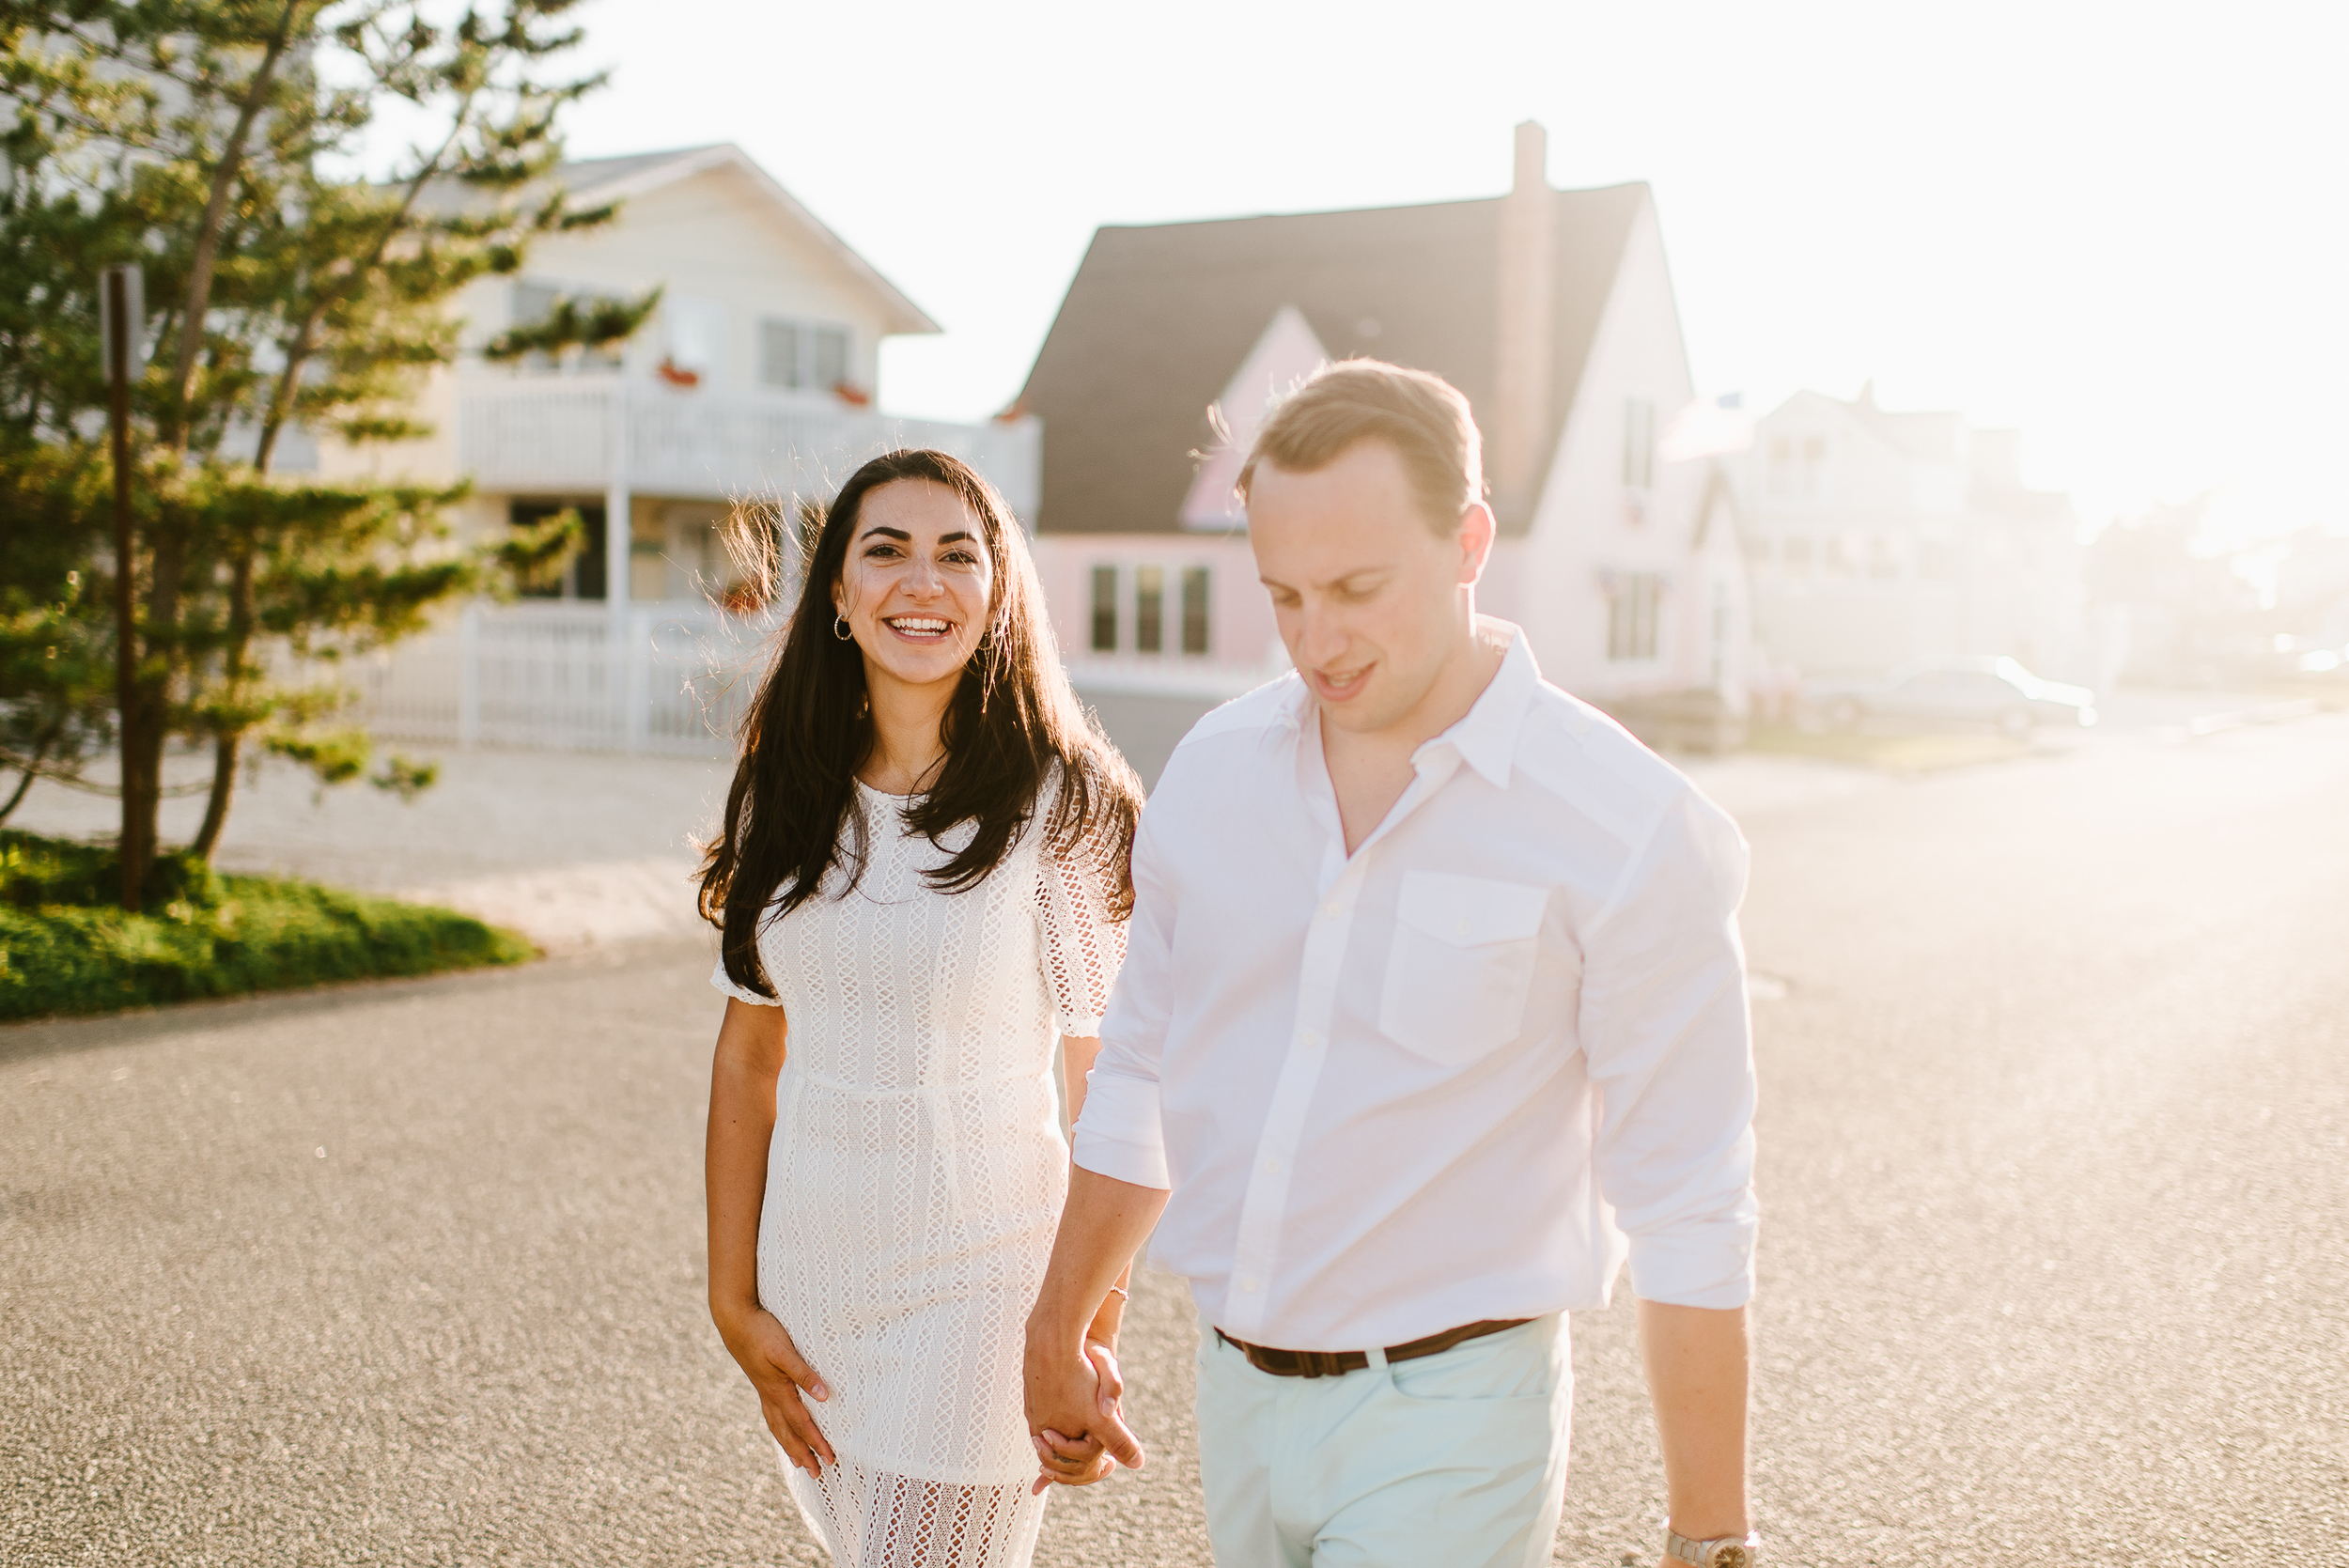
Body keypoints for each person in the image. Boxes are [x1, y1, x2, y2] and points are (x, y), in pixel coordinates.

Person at [1023, 363, 1763, 1568]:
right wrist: (1060, 1322)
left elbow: (1689, 1201)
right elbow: (1144, 1069)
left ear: (1468, 541)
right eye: (1284, 595)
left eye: (1358, 589)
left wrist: (1711, 1540)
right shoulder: (1213, 774)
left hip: (1454, 1423)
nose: (1319, 639)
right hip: (1238, 1402)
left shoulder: (1626, 829)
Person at [701, 448, 1143, 1568]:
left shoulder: (1063, 802)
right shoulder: (784, 790)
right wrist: (731, 1300)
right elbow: (751, 1056)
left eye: (958, 554)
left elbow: (1116, 1086)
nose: (922, 582)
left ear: (998, 595)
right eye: (884, 551)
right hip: (815, 1301)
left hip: (984, 1294)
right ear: (838, 598)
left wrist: (1086, 1331)